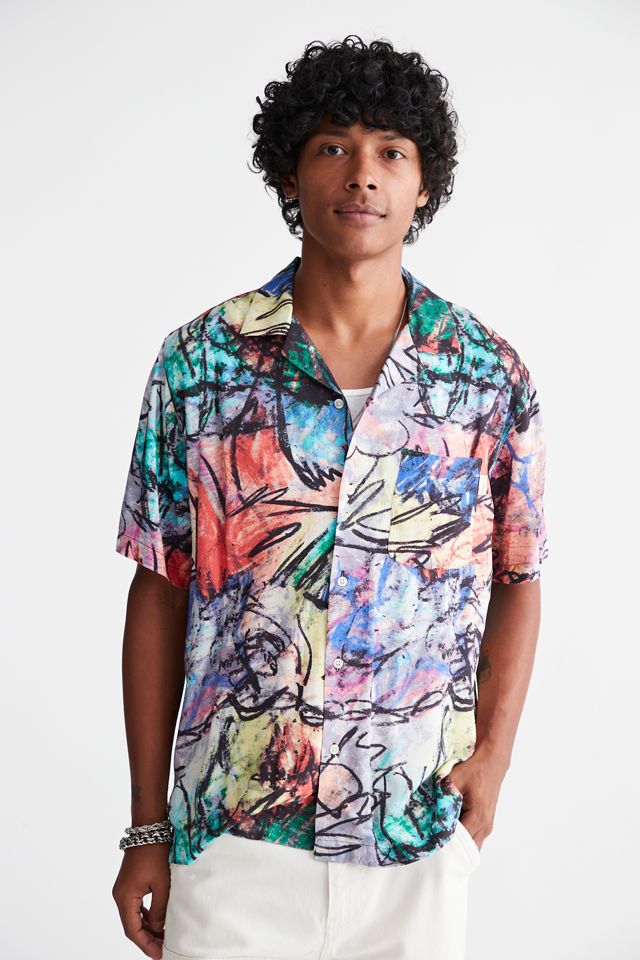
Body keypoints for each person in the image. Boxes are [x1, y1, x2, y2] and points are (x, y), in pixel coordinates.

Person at [111, 34, 549, 960]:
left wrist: (494, 763)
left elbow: (519, 578)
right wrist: (147, 825)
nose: (363, 175)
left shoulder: (486, 376)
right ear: (290, 173)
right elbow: (159, 587)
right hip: (234, 832)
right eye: (334, 146)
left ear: (424, 185)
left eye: (392, 151)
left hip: (414, 831)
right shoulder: (200, 363)